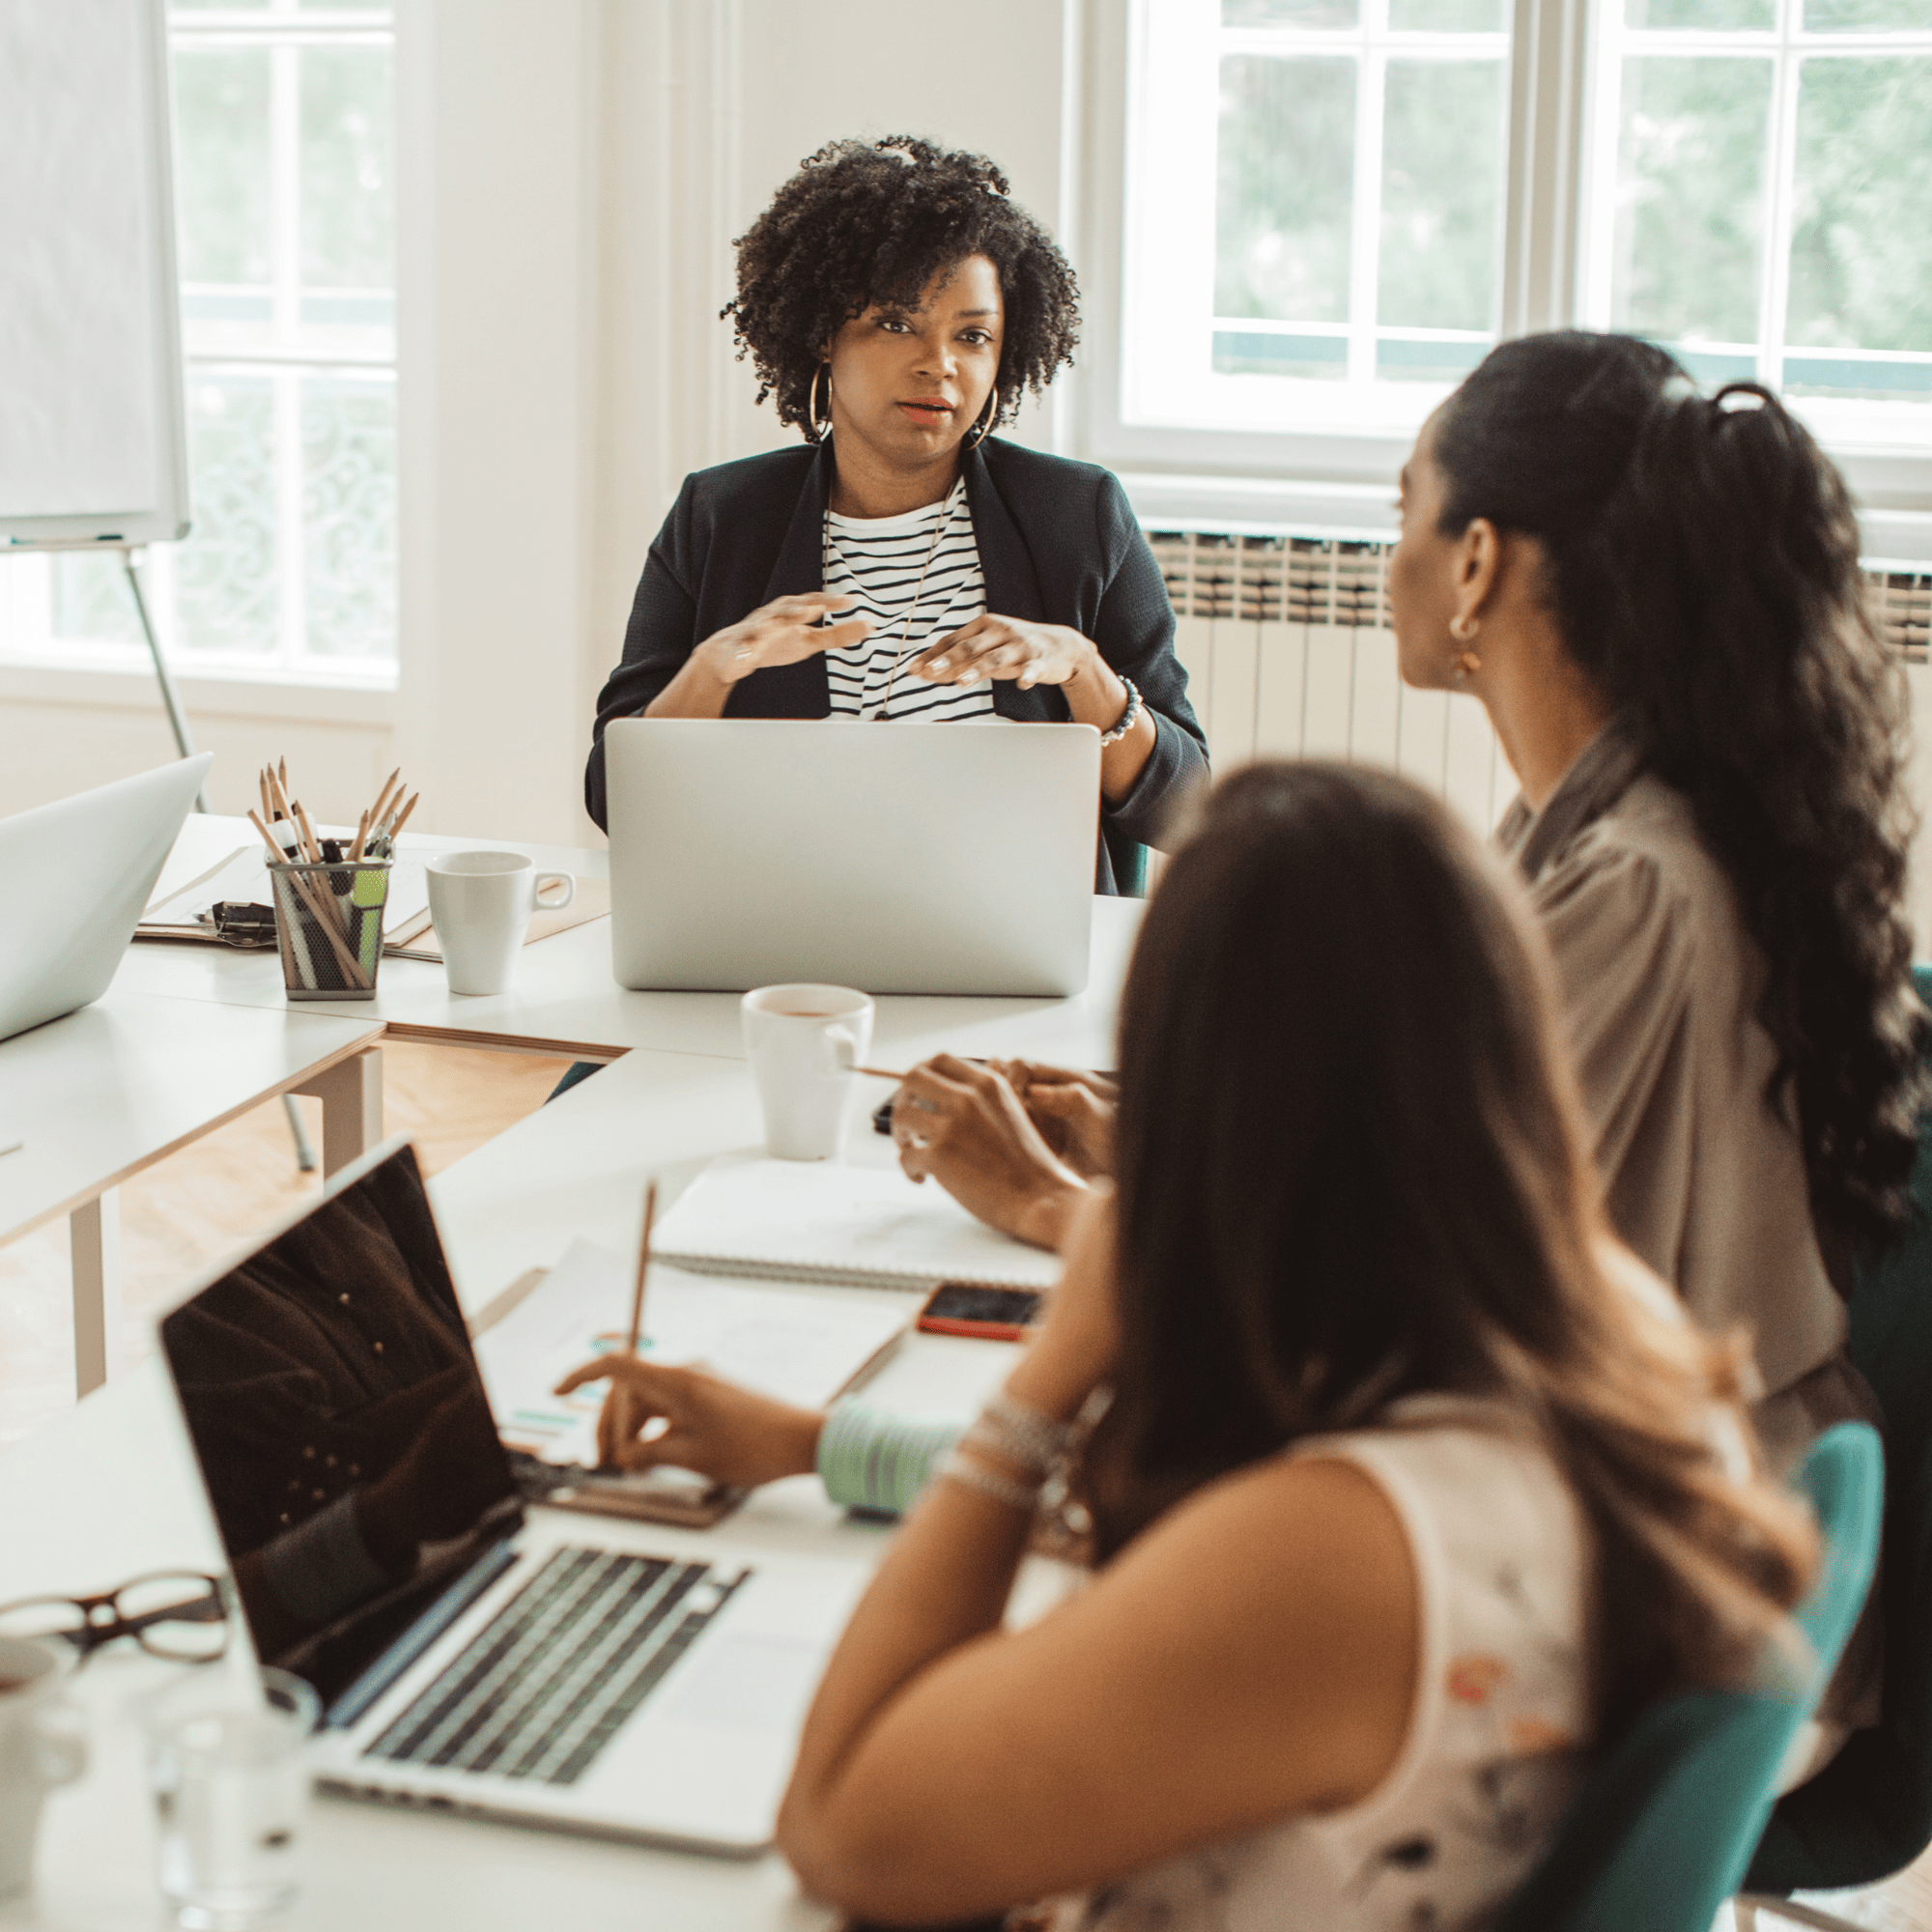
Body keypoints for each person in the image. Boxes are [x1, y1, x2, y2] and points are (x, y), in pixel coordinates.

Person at [668, 329, 1923, 1496]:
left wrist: (1054, 1205)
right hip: (1556, 1465)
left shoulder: (1635, 884)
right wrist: (1156, 1143)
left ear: (1476, 561)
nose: (1394, 557)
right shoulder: (1572, 827)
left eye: (1405, 513)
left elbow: (1416, 1295)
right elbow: (1421, 1165)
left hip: (1632, 1524)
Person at [594, 763, 1817, 1930]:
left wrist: (1047, 1370)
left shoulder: (1341, 1553)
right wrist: (824, 1441)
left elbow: (841, 1824)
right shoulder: (1605, 1323)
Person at [582, 135, 1208, 895]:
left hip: (1013, 936)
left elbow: (1186, 810)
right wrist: (713, 670)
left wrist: (1084, 671)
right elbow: (615, 800)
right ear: (823, 334)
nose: (939, 362)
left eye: (972, 335)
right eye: (896, 323)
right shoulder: (720, 518)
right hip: (784, 931)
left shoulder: (1077, 515)